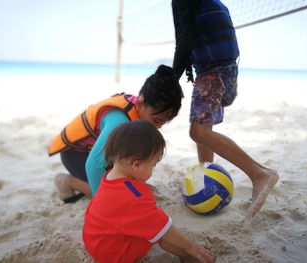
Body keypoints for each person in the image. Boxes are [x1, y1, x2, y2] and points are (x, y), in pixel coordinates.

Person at [171, 0, 279, 219]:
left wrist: (171, 80)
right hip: (227, 67)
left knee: (199, 132)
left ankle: (260, 174)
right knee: (203, 129)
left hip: (214, 70)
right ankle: (204, 172)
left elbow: (183, 41)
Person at [83, 120, 216, 263]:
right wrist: (190, 247)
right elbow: (163, 228)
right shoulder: (134, 196)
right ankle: (187, 256)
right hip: (114, 255)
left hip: (94, 241)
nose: (153, 169)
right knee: (160, 233)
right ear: (136, 165)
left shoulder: (109, 177)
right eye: (153, 165)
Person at [49, 65, 182, 202]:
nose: (158, 127)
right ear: (140, 103)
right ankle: (68, 182)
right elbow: (94, 165)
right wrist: (103, 203)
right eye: (157, 120)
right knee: (118, 195)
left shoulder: (138, 107)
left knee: (125, 178)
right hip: (76, 155)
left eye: (164, 122)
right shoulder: (119, 120)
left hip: (96, 153)